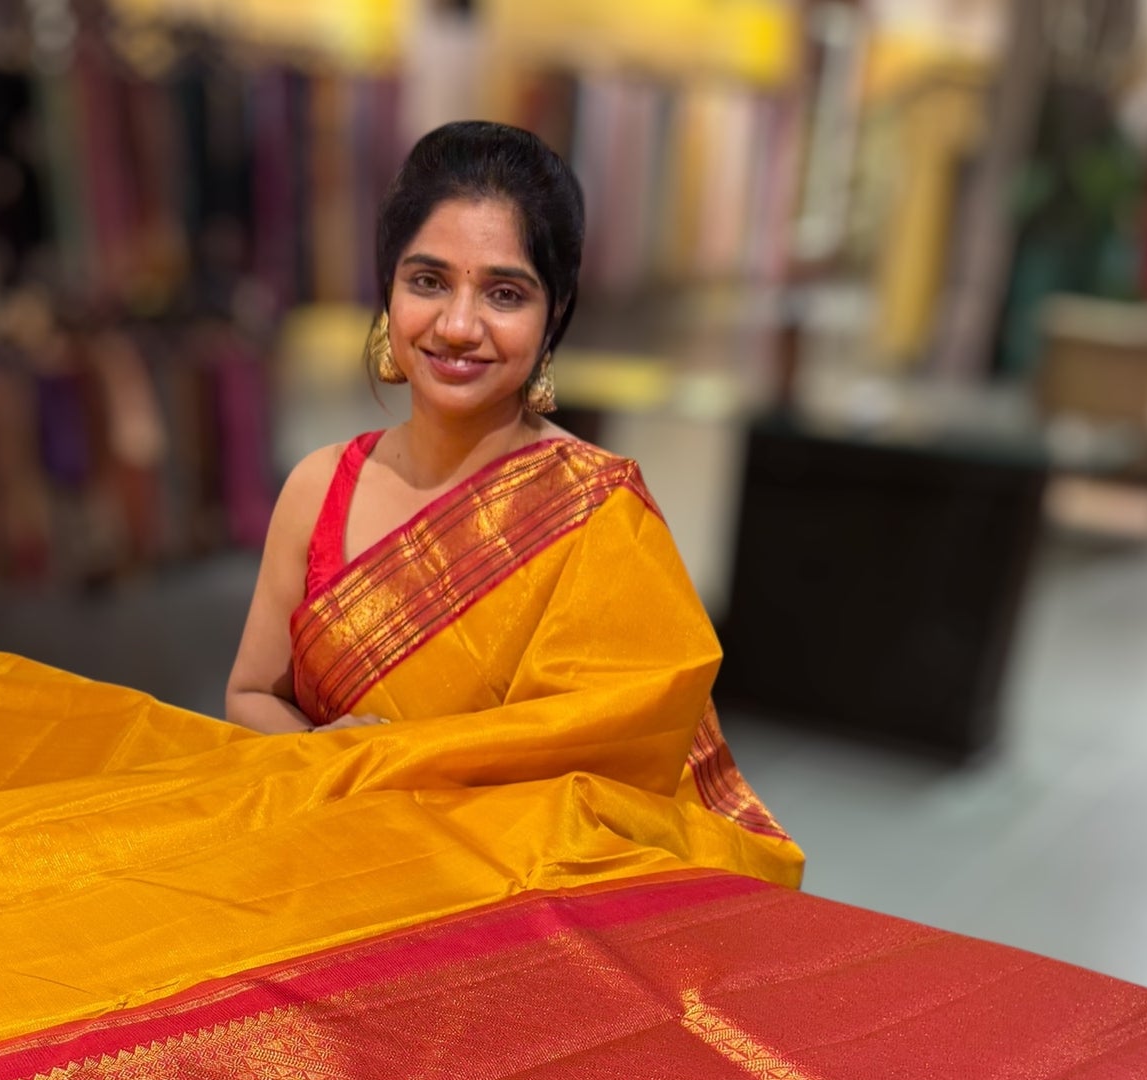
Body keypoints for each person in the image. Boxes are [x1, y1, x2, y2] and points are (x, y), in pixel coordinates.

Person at [223, 121, 789, 860]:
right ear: (386, 289)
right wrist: (330, 756)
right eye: (427, 281)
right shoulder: (320, 485)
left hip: (510, 919)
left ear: (554, 314)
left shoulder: (600, 518)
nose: (458, 326)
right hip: (322, 870)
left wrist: (411, 776)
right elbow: (248, 699)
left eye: (504, 293)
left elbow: (640, 797)